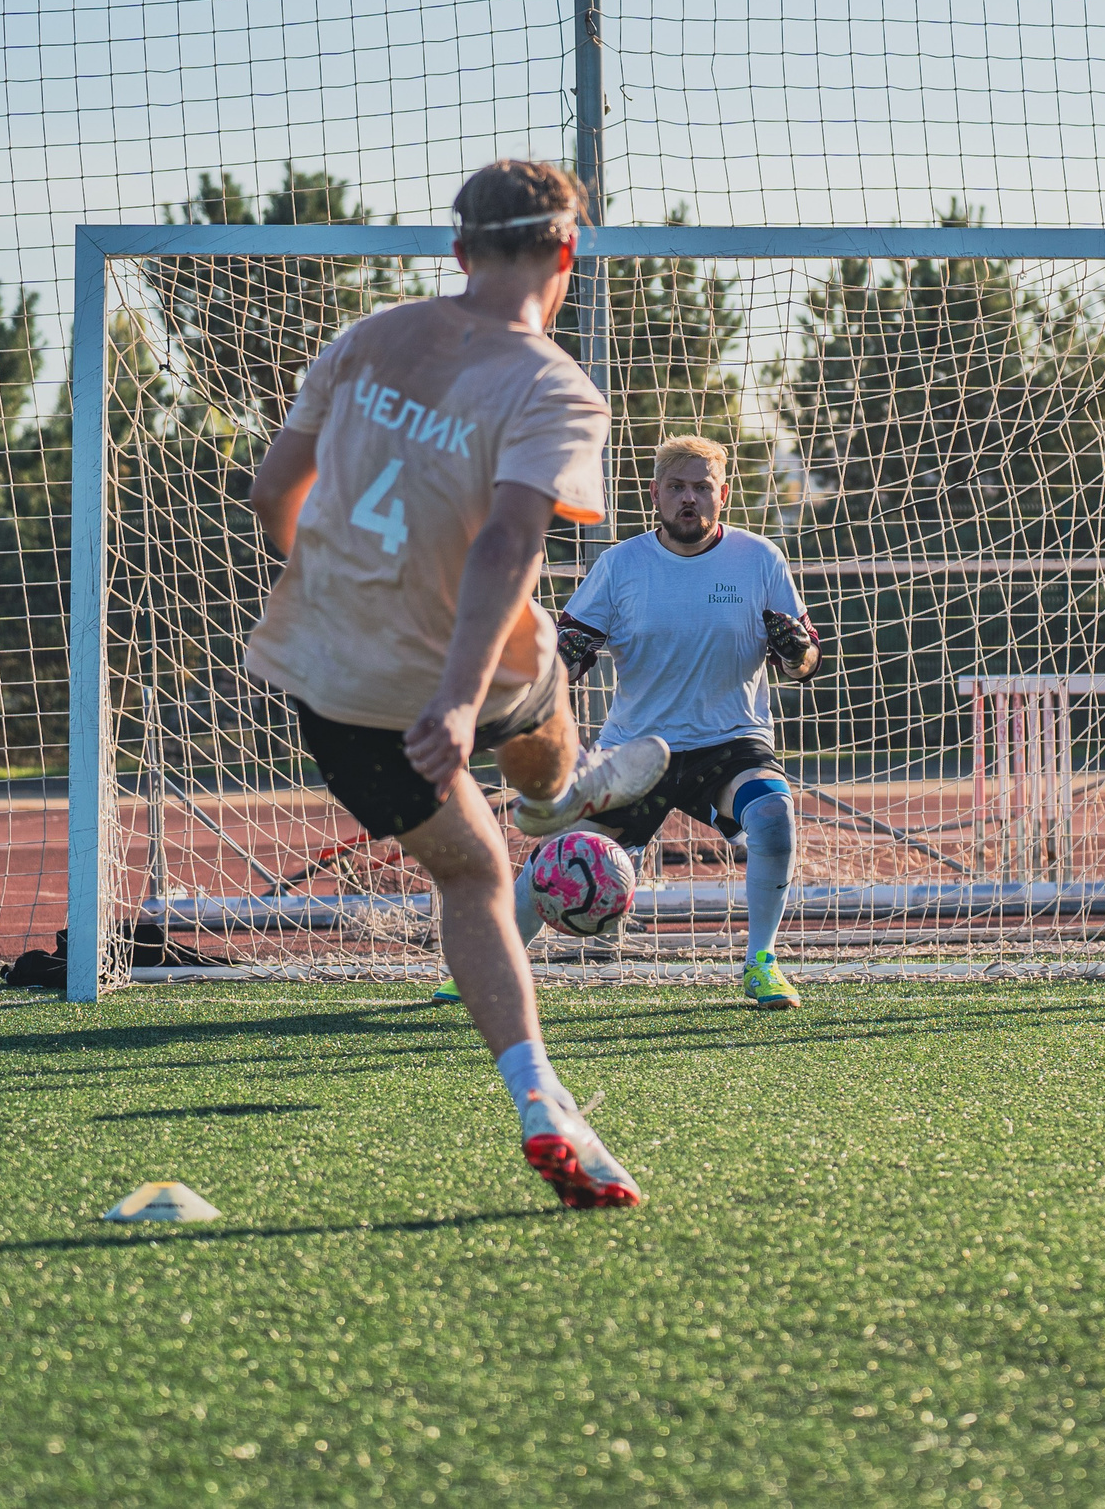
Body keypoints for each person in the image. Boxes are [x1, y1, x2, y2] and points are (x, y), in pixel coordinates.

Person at [242, 158, 670, 1209]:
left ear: (457, 249)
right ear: (567, 252)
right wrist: (458, 697)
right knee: (546, 710)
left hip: (335, 681)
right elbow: (510, 541)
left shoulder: (368, 335)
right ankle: (556, 799)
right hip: (464, 671)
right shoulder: (553, 386)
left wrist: (344, 591)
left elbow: (267, 491)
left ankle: (540, 1097)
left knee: (474, 875)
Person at [516, 434, 823, 1010]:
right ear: (654, 494)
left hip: (731, 744)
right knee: (562, 855)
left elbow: (805, 660)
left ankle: (762, 963)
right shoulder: (620, 565)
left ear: (723, 495)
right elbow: (566, 655)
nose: (690, 499)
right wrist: (564, 658)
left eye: (702, 487)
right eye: (677, 487)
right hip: (637, 752)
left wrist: (795, 651)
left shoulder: (760, 559)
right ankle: (491, 967)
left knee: (774, 817)